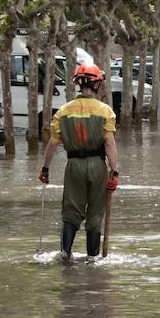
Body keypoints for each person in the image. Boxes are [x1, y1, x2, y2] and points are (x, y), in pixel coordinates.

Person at [39, 64, 120, 263]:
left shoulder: (64, 111)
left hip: (74, 165)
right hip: (97, 166)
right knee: (95, 213)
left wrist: (45, 169)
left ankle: (65, 253)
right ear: (97, 85)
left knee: (71, 211)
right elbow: (109, 143)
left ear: (77, 84)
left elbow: (53, 143)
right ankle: (92, 259)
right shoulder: (105, 111)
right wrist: (114, 172)